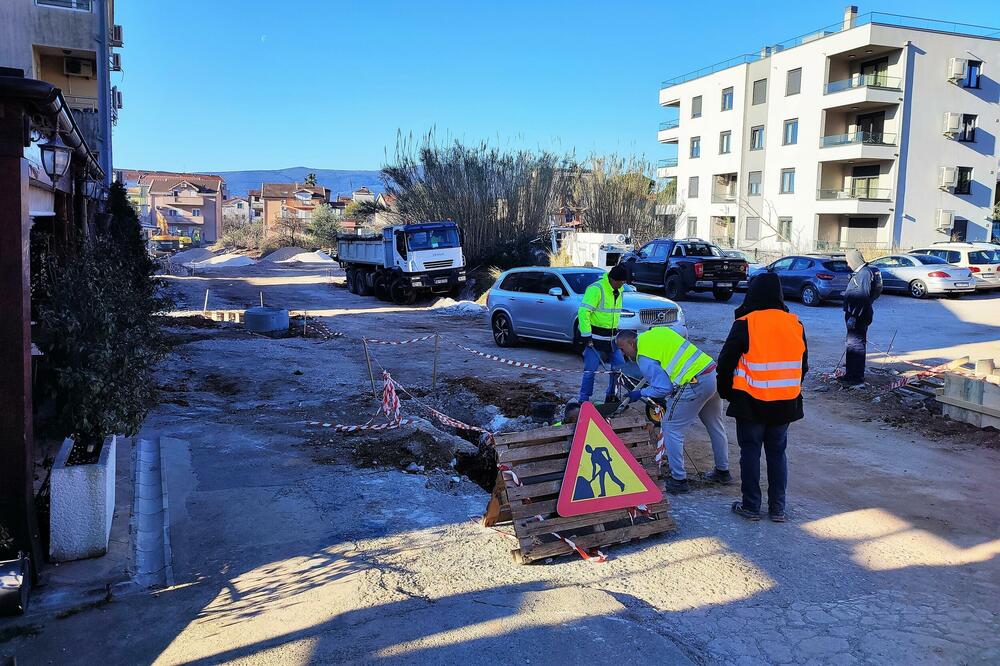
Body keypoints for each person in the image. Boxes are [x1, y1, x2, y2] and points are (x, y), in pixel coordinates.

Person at [717, 272, 808, 523]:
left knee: (751, 453)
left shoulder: (746, 322)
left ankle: (751, 506)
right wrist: (790, 388)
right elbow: (803, 365)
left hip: (750, 402)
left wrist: (726, 392)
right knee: (778, 454)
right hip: (785, 402)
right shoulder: (795, 324)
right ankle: (778, 509)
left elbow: (725, 363)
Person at [616, 328, 730, 494]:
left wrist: (640, 393)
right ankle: (723, 471)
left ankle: (679, 480)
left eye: (622, 348)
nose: (622, 353)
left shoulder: (644, 358)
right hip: (711, 373)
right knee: (715, 425)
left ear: (631, 343)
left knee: (671, 427)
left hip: (694, 382)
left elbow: (663, 388)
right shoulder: (657, 332)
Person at [577, 264, 628, 404]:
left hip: (612, 340)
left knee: (619, 368)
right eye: (621, 281)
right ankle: (584, 400)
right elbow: (583, 312)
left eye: (624, 282)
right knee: (590, 371)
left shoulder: (620, 290)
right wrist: (586, 335)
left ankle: (611, 396)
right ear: (613, 279)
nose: (623, 284)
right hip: (595, 340)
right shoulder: (596, 289)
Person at [839, 249, 882, 387]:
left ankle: (855, 378)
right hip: (858, 314)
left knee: (856, 346)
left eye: (848, 260)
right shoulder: (862, 273)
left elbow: (862, 297)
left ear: (854, 260)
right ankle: (850, 375)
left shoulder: (863, 274)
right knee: (852, 345)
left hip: (858, 317)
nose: (847, 263)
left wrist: (854, 316)